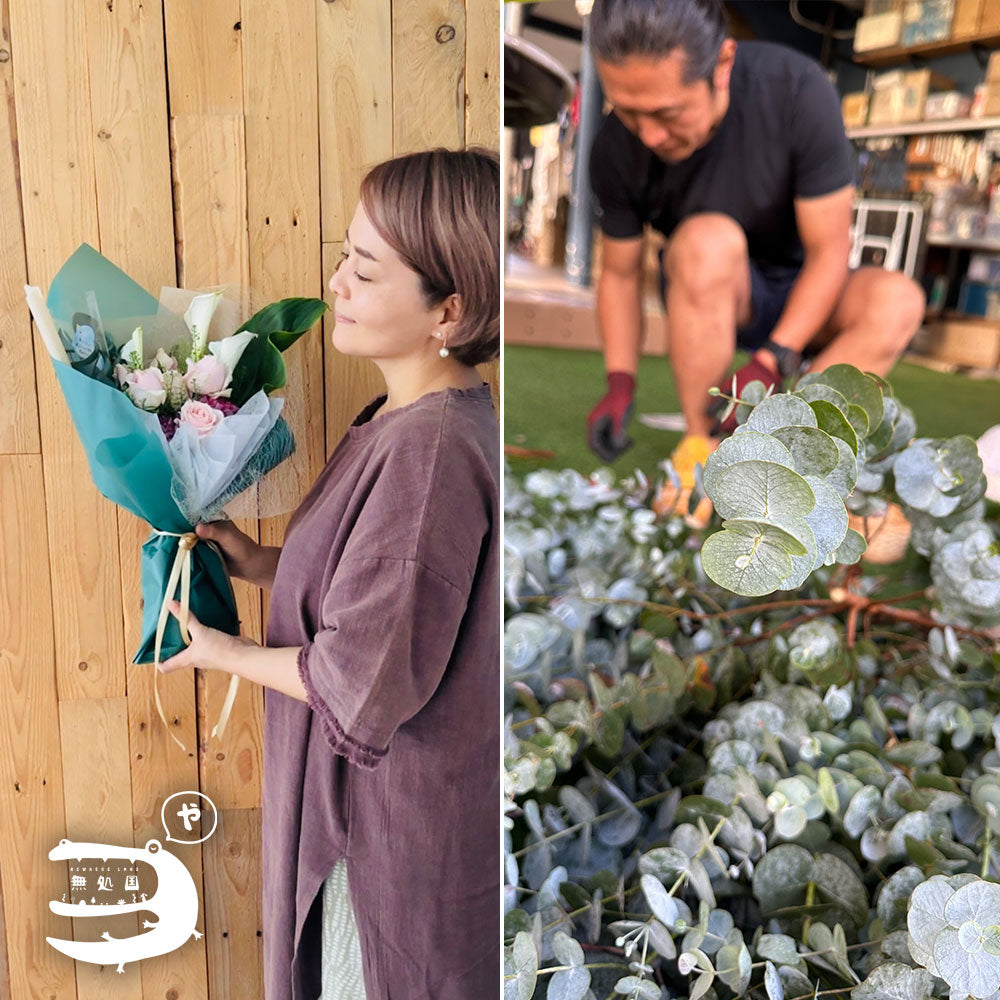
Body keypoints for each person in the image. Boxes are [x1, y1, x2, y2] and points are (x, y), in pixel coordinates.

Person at [159, 148, 501, 999]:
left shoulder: (428, 456)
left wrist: (220, 652)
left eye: (366, 269)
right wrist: (260, 563)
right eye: (344, 256)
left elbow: (360, 679)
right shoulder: (407, 417)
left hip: (380, 844)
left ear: (448, 310)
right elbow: (384, 600)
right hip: (367, 820)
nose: (338, 285)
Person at [584, 0, 925, 470]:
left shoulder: (797, 91)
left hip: (807, 288)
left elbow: (829, 252)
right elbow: (620, 275)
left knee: (898, 300)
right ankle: (702, 448)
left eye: (666, 114)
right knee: (708, 241)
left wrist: (772, 359)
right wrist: (619, 382)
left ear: (722, 64)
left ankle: (792, 454)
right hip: (712, 285)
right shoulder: (613, 149)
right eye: (628, 112)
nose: (649, 136)